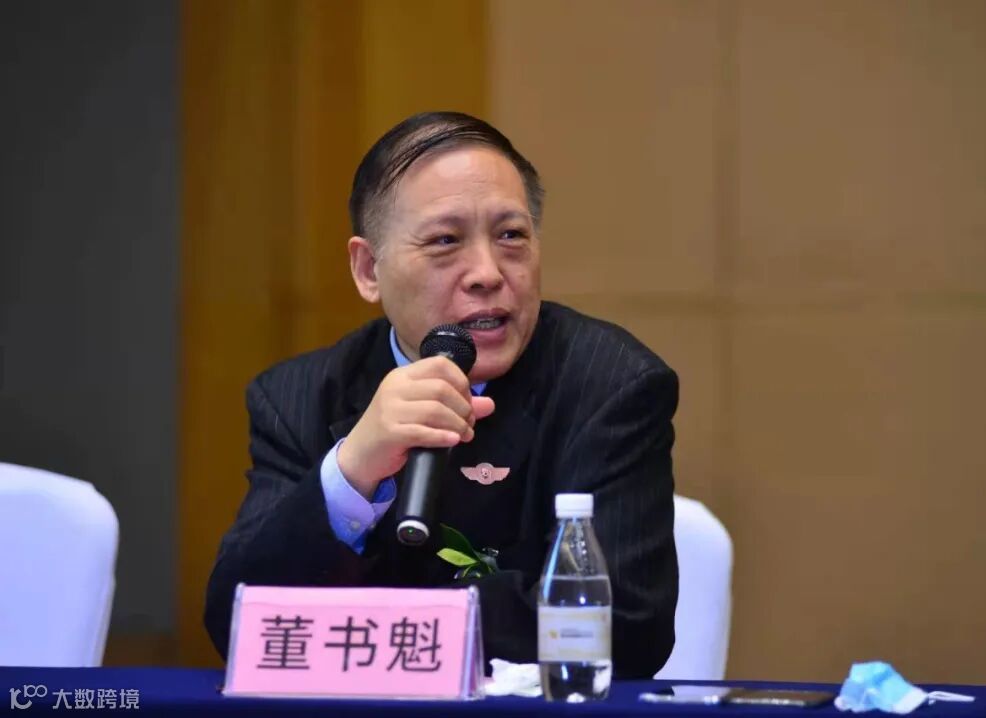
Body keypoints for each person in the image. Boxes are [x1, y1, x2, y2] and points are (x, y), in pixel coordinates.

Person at [204, 111, 679, 679]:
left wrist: (395, 625)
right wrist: (352, 472)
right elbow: (238, 626)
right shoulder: (296, 397)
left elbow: (626, 626)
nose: (487, 273)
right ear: (368, 269)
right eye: (445, 241)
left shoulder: (610, 385)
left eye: (511, 236)